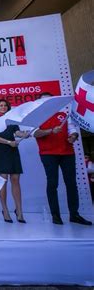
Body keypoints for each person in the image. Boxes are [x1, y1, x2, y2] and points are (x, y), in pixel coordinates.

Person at [33, 92, 92, 225]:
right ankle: (56, 215)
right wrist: (50, 131)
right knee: (53, 183)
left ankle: (74, 214)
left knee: (71, 184)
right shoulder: (37, 117)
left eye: (50, 100)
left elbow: (72, 130)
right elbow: (35, 133)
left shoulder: (64, 115)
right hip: (48, 154)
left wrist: (73, 137)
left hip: (67, 153)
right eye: (44, 101)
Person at [0, 99, 29, 223]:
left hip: (13, 151)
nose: (3, 107)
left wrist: (24, 134)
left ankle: (19, 210)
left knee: (15, 180)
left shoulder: (12, 120)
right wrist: (8, 142)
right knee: (3, 180)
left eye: (5, 105)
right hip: (1, 152)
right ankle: (5, 210)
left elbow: (17, 132)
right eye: (0, 105)